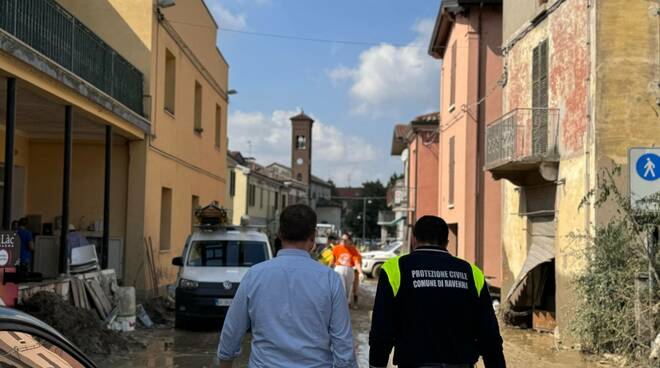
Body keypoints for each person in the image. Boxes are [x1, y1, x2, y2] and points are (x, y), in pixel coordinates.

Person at [217, 204, 357, 368]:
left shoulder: (254, 275)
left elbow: (232, 330)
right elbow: (343, 345)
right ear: (313, 237)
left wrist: (225, 363)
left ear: (279, 234)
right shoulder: (330, 279)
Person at [369, 215, 506, 368]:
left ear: (414, 240)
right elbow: (489, 335)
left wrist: (376, 365)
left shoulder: (394, 269)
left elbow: (381, 332)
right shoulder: (472, 273)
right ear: (447, 242)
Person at [330, 233, 364, 306]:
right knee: (342, 288)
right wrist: (328, 269)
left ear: (349, 240)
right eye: (342, 239)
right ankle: (340, 305)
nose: (343, 241)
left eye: (345, 240)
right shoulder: (336, 248)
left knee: (348, 290)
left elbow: (356, 262)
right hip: (339, 269)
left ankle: (346, 304)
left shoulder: (353, 250)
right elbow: (332, 260)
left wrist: (360, 272)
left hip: (349, 270)